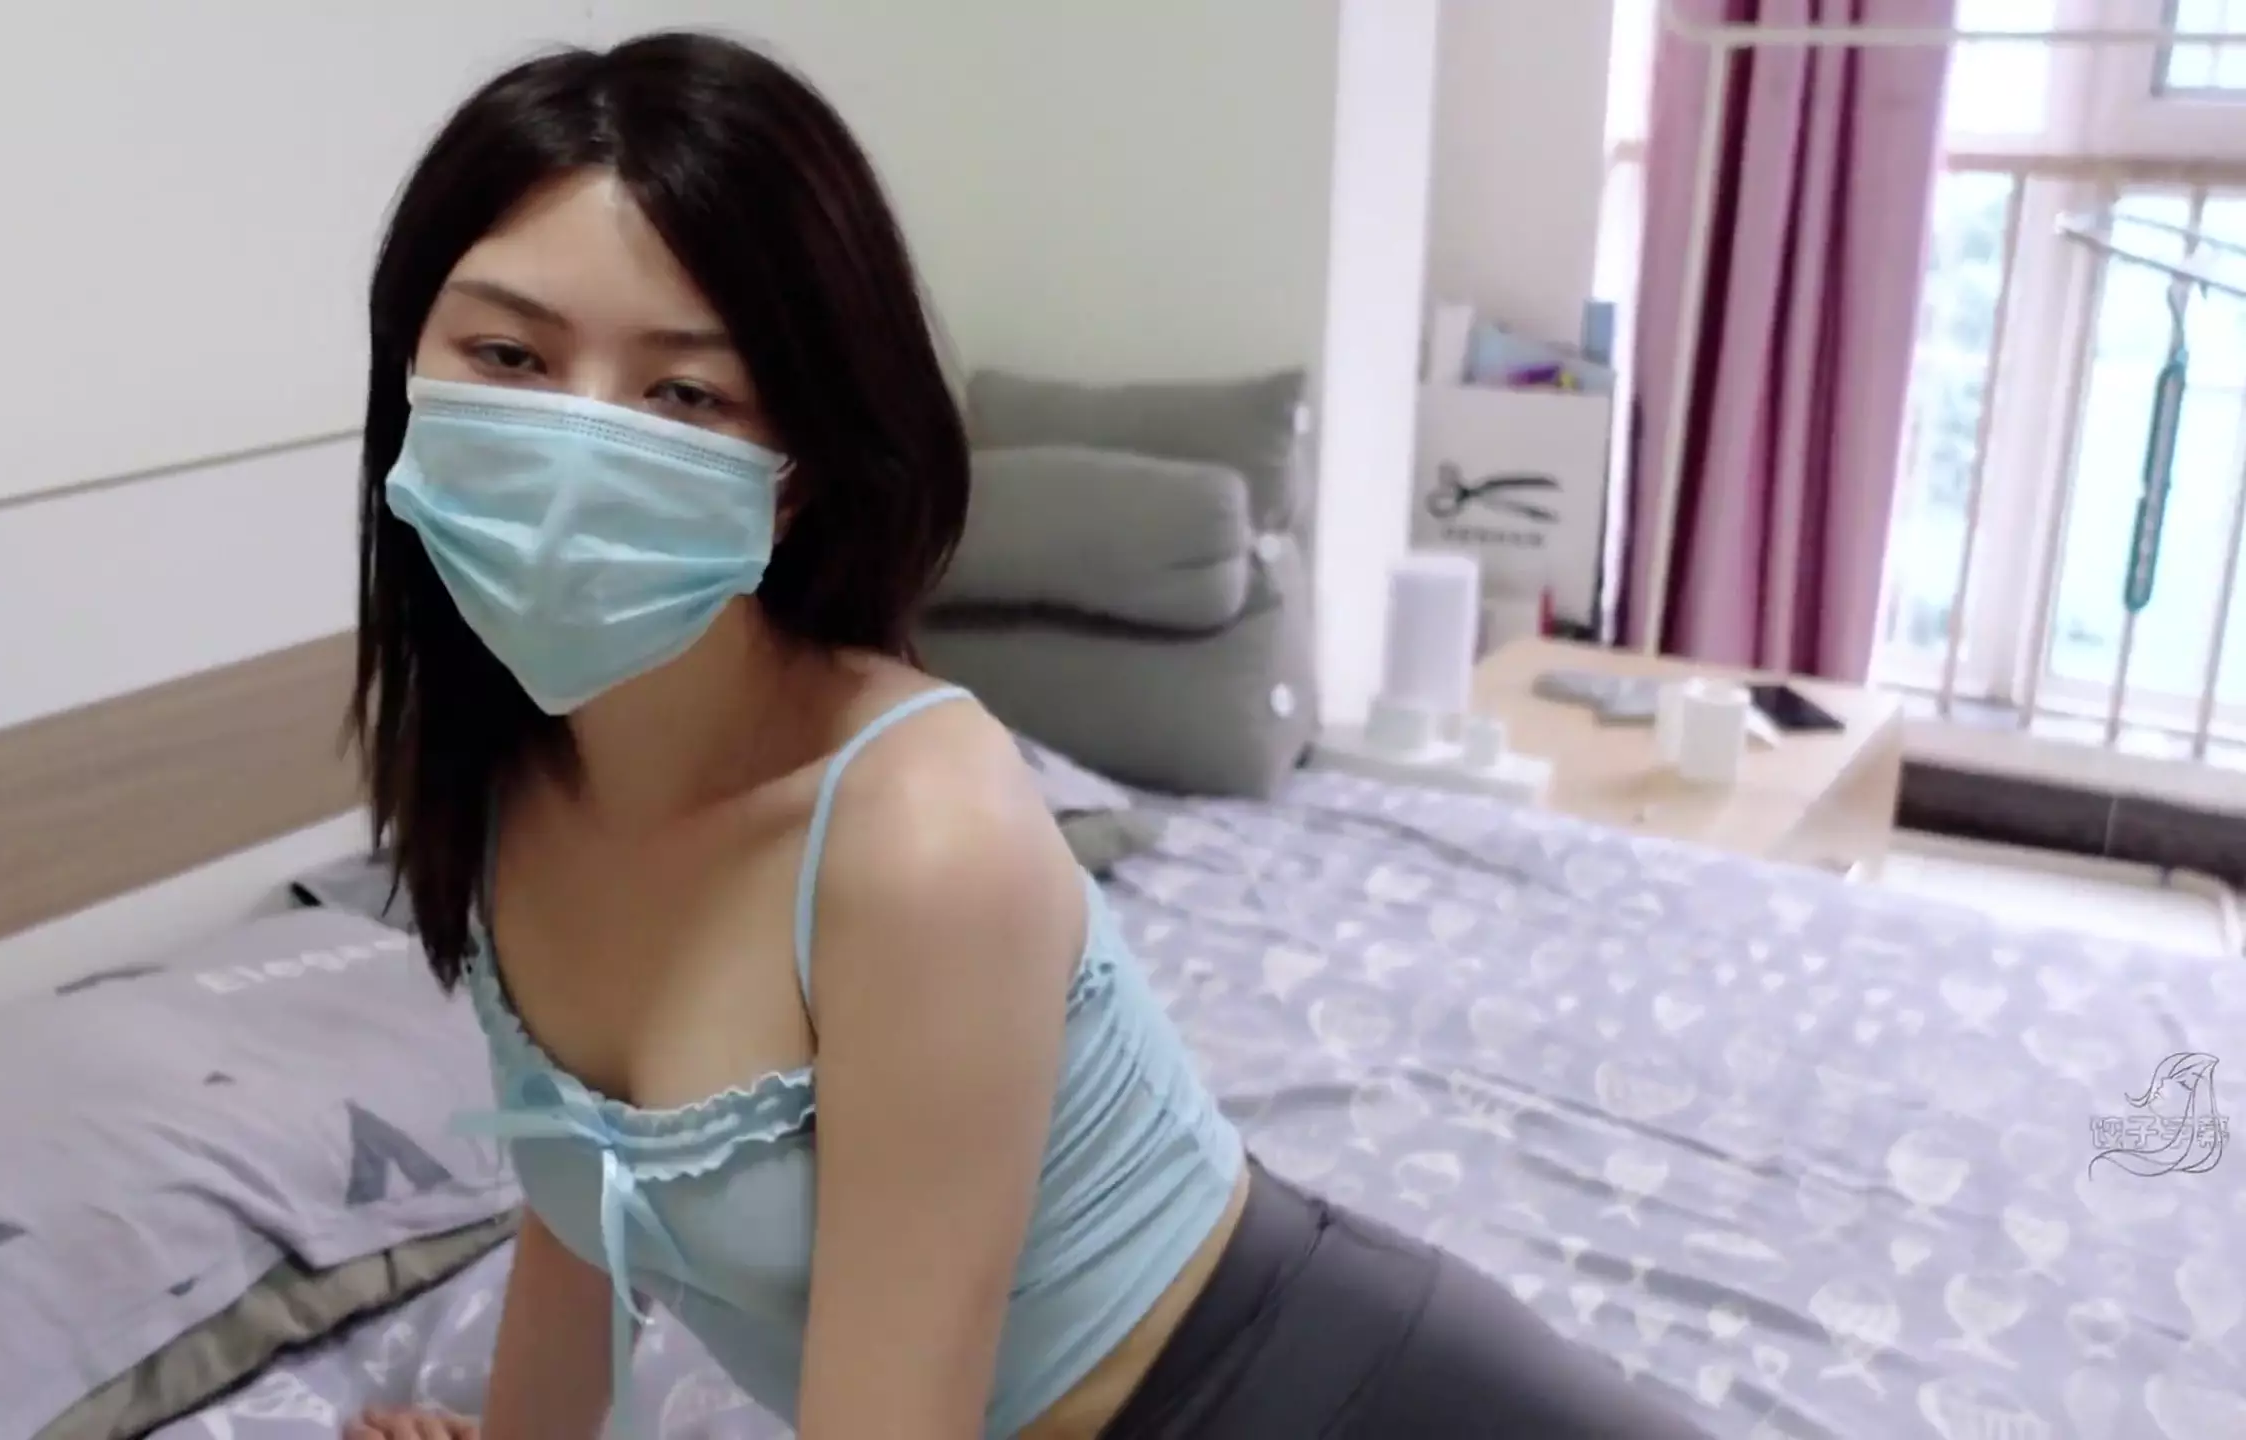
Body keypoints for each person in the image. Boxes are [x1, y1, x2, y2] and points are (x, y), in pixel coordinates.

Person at [339, 30, 1712, 1440]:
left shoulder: (920, 838)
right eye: (509, 355)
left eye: (684, 393)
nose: (574, 450)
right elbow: (585, 1194)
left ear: (799, 470)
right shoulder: (502, 774)